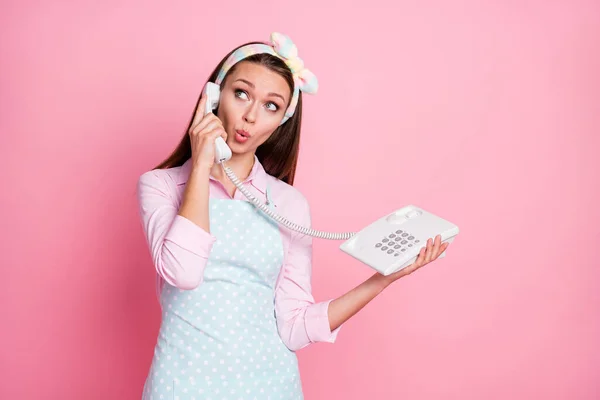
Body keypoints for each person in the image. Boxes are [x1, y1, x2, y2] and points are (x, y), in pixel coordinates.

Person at [137, 32, 449, 399]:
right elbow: (182, 272)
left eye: (271, 106)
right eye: (241, 94)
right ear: (214, 95)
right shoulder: (161, 186)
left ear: (282, 121)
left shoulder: (288, 204)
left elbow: (294, 325)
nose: (250, 116)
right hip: (182, 385)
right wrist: (203, 161)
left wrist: (381, 280)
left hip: (269, 385)